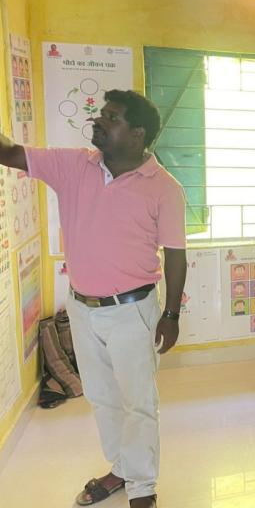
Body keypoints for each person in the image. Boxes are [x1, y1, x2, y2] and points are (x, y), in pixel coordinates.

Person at [0, 89, 187, 508]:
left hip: (133, 311)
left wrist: (171, 313)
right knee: (102, 397)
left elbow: (176, 254)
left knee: (138, 403)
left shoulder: (165, 188)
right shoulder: (74, 165)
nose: (99, 121)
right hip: (82, 308)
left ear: (137, 134)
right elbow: (9, 153)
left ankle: (142, 488)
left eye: (112, 117)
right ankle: (121, 468)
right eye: (101, 114)